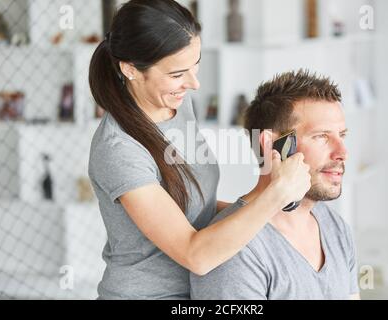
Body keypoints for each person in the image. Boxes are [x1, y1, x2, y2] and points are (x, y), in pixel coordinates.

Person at [88, 0, 311, 299]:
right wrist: (274, 196)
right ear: (130, 69)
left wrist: (267, 196)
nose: (194, 83)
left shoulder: (176, 106)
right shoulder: (119, 150)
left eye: (196, 65)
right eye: (178, 74)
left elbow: (196, 208)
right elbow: (196, 255)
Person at [190, 70, 361, 300]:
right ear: (273, 145)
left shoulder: (335, 227)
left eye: (342, 135)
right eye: (321, 136)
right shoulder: (235, 251)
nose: (343, 153)